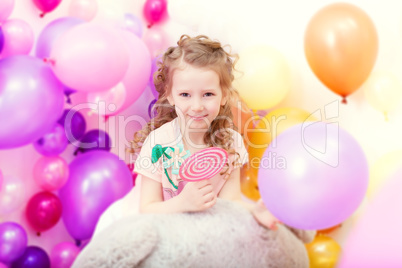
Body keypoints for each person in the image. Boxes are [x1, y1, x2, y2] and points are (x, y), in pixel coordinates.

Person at [129, 34, 280, 230]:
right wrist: (182, 203)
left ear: (224, 95)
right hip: (167, 225)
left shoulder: (231, 143)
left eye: (208, 94)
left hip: (208, 230)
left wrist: (253, 212)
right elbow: (147, 209)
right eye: (185, 95)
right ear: (170, 95)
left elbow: (230, 203)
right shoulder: (157, 143)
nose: (197, 106)